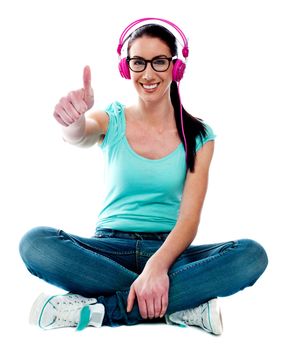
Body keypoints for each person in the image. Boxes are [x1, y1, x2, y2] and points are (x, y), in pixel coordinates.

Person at [19, 18, 268, 335]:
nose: (148, 74)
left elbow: (189, 220)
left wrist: (157, 267)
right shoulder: (113, 119)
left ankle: (100, 310)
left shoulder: (200, 135)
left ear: (175, 68)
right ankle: (182, 305)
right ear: (127, 68)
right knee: (35, 243)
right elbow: (80, 134)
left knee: (250, 256)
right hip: (107, 251)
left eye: (159, 62)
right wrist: (72, 122)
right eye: (138, 62)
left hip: (170, 252)